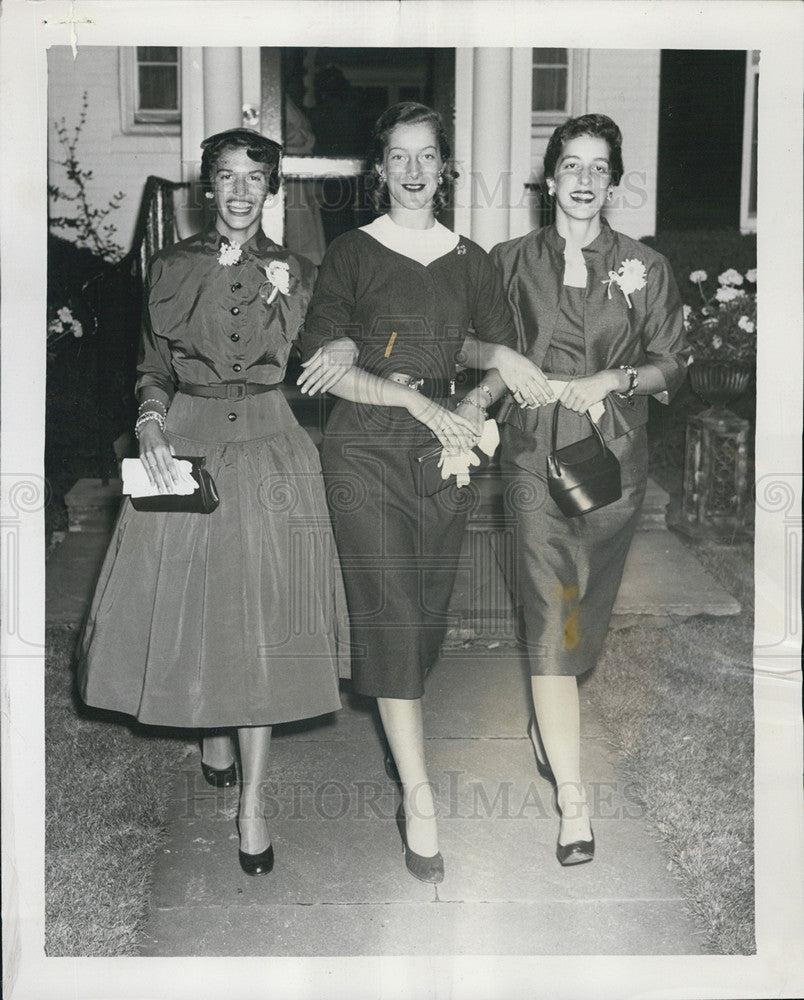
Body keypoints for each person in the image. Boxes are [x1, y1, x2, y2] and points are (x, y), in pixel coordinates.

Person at [78, 128, 349, 876]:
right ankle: (213, 727)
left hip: (270, 444)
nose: (238, 193)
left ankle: (252, 802)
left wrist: (349, 349)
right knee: (198, 600)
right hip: (188, 440)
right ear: (208, 189)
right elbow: (152, 368)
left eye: (252, 179)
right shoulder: (168, 268)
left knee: (261, 612)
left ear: (271, 191)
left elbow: (331, 347)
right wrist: (151, 423)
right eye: (225, 178)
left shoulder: (300, 271)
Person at [297, 102, 550, 884]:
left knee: (426, 621)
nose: (412, 171)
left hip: (445, 454)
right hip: (366, 448)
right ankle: (420, 798)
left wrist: (468, 410)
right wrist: (408, 396)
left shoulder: (473, 259)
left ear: (446, 168)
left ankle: (405, 753)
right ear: (380, 170)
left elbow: (500, 358)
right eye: (398, 157)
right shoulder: (351, 253)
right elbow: (325, 362)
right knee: (393, 612)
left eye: (426, 156)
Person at [489, 114, 688, 865]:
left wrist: (616, 377)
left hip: (611, 460)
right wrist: (504, 359)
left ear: (613, 181)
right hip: (534, 456)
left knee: (581, 618)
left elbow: (673, 362)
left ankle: (552, 716)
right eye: (569, 165)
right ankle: (573, 802)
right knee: (549, 612)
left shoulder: (645, 265)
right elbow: (472, 339)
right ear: (550, 177)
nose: (581, 180)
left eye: (597, 168)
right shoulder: (510, 261)